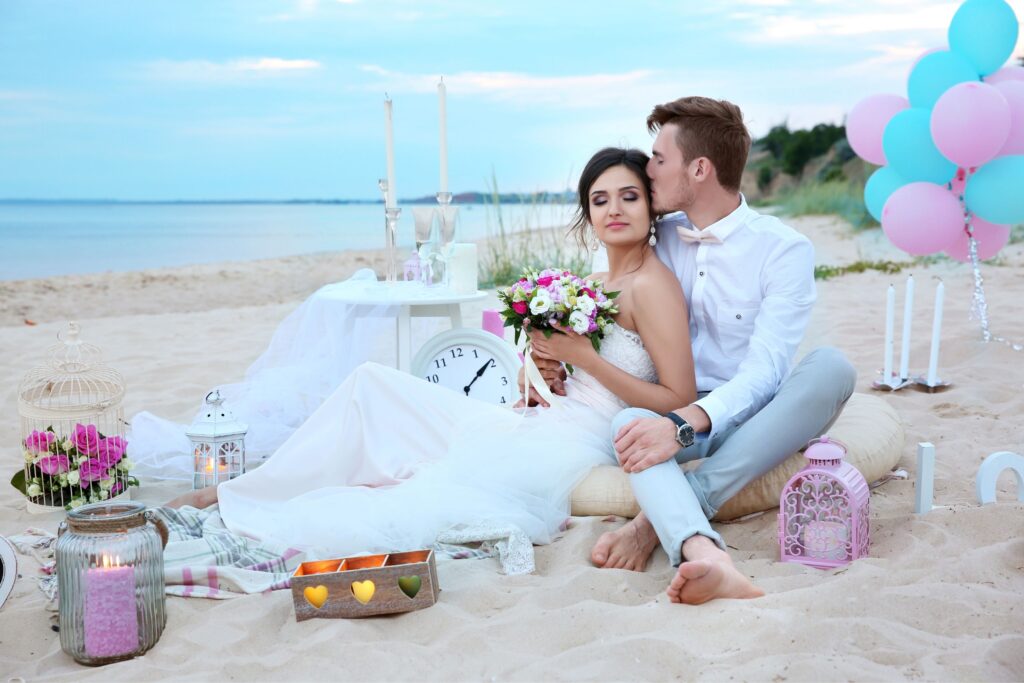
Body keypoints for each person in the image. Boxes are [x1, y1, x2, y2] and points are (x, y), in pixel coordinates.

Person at [167, 147, 699, 575]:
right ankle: (254, 487)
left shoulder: (653, 285)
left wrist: (584, 358)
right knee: (371, 384)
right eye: (600, 200)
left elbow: (681, 400)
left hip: (577, 439)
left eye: (629, 197)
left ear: (651, 207)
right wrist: (541, 371)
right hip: (538, 415)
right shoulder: (598, 283)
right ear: (587, 213)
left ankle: (235, 494)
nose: (614, 210)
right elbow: (573, 370)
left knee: (406, 480)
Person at [529, 97, 856, 603]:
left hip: (754, 411)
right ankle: (705, 553)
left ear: (699, 169)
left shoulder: (783, 249)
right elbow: (617, 306)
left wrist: (683, 425)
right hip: (676, 408)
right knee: (629, 426)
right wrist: (554, 351)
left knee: (832, 368)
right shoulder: (661, 237)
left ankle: (653, 528)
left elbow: (765, 372)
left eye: (659, 159)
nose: (649, 168)